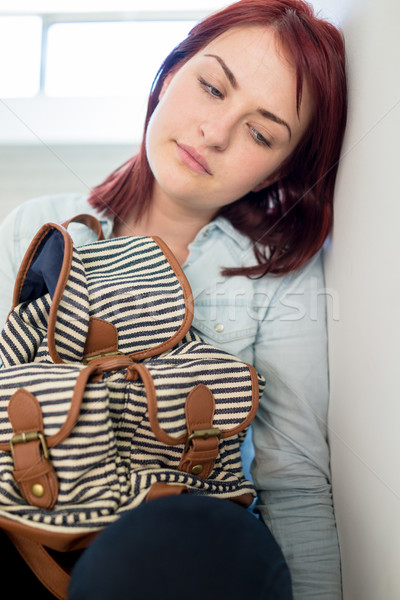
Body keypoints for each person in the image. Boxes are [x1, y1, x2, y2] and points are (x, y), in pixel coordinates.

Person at [0, 0, 347, 598]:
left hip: (178, 538)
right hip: (31, 513)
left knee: (162, 543)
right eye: (212, 88)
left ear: (273, 173)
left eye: (260, 133)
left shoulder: (278, 277)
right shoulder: (41, 229)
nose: (214, 134)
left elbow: (293, 478)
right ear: (168, 76)